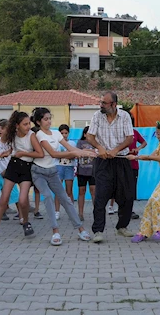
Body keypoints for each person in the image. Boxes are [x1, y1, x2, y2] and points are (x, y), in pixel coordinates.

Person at [31, 108, 94, 245]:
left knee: (66, 199)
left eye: (49, 118)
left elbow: (70, 148)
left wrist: (85, 152)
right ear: (38, 122)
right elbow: (54, 154)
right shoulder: (40, 135)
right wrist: (76, 154)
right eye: (45, 119)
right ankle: (55, 231)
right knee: (47, 196)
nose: (49, 121)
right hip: (38, 172)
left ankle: (80, 229)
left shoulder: (55, 133)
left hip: (52, 172)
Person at [0, 111, 43, 243]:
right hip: (13, 166)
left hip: (26, 168)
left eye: (29, 123)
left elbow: (40, 154)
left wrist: (23, 153)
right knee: (3, 199)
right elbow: (12, 150)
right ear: (17, 125)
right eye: (25, 124)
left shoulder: (31, 135)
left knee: (22, 200)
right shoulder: (13, 135)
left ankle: (26, 222)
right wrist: (3, 154)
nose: (28, 126)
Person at [86, 92, 135, 243]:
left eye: (104, 103)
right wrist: (100, 148)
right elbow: (90, 136)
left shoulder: (125, 116)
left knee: (127, 195)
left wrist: (116, 150)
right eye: (101, 102)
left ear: (113, 104)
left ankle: (122, 227)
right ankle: (98, 231)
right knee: (100, 196)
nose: (101, 105)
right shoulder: (97, 116)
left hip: (121, 160)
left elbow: (130, 138)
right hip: (103, 161)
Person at [54, 124, 77, 221]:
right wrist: (67, 155)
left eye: (66, 133)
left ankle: (71, 212)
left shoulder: (72, 143)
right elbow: (55, 155)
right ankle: (57, 211)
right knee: (58, 190)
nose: (64, 135)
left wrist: (63, 155)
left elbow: (74, 155)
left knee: (69, 191)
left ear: (68, 133)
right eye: (62, 133)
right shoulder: (56, 143)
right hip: (59, 167)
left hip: (69, 167)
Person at [75, 129, 96, 221]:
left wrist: (88, 151)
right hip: (82, 171)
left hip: (93, 171)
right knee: (81, 192)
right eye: (88, 133)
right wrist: (88, 150)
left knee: (94, 192)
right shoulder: (80, 142)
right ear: (84, 134)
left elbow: (96, 152)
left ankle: (97, 212)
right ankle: (80, 213)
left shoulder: (96, 143)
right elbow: (78, 152)